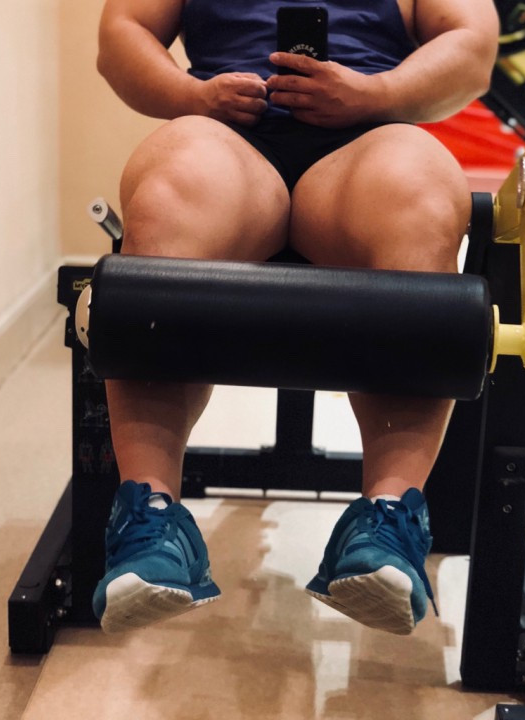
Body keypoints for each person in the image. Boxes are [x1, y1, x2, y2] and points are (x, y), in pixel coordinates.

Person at [90, 0, 500, 635]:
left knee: (420, 196)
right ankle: (151, 516)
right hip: (224, 139)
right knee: (169, 191)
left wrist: (376, 93)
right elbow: (123, 33)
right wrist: (193, 96)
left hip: (367, 141)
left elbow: (471, 44)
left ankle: (388, 518)